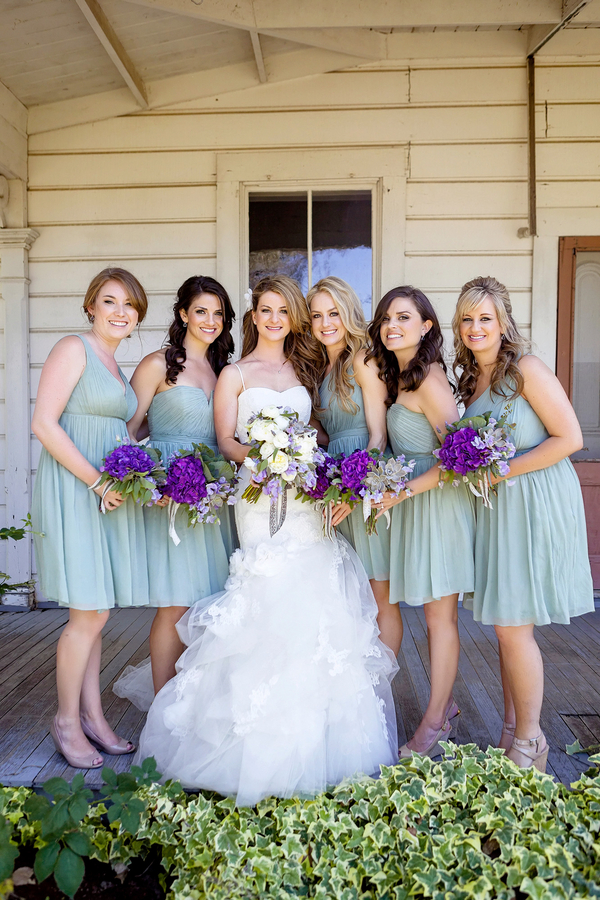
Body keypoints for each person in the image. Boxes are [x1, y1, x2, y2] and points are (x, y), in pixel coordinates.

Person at [135, 275, 398, 806]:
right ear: (253, 317)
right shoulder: (233, 373)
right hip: (257, 499)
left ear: (291, 318)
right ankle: (238, 739)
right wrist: (259, 462)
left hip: (305, 500)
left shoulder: (308, 371)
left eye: (284, 310)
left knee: (314, 602)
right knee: (261, 596)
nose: (275, 318)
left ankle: (317, 738)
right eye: (265, 309)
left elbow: (321, 433)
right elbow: (226, 437)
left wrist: (305, 461)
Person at [453, 275, 594, 772]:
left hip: (533, 503)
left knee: (514, 628)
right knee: (504, 626)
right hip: (497, 511)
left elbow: (570, 436)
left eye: (485, 318)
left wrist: (501, 469)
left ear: (504, 322)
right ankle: (511, 730)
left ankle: (532, 743)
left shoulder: (527, 369)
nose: (475, 327)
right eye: (467, 319)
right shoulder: (472, 382)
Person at [31, 267, 149, 769]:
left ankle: (93, 716)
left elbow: (119, 432)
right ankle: (65, 720)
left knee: (97, 610)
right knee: (89, 612)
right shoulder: (73, 348)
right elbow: (44, 424)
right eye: (110, 301)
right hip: (76, 487)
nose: (120, 312)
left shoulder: (117, 367)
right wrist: (97, 481)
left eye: (130, 305)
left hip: (105, 491)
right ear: (90, 308)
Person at [368, 286, 475, 759]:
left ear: (427, 326)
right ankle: (445, 704)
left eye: (405, 317)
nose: (393, 325)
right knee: (429, 615)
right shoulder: (402, 376)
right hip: (414, 506)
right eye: (388, 318)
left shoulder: (430, 380)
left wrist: (402, 492)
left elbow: (461, 458)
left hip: (437, 506)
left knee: (438, 618)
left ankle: (433, 724)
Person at [119, 276, 237, 698]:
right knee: (175, 602)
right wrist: (153, 484)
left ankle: (197, 699)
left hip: (217, 496)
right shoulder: (157, 364)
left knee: (212, 598)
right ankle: (162, 707)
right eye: (201, 311)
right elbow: (128, 433)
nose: (210, 320)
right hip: (173, 496)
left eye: (218, 313)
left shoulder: (224, 369)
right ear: (183, 314)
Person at [307, 277, 400, 655]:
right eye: (317, 316)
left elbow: (378, 437)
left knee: (379, 593)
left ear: (349, 313)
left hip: (363, 489)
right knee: (348, 592)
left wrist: (355, 492)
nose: (326, 323)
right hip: (334, 486)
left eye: (334, 313)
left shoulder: (363, 360)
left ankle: (384, 697)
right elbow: (329, 434)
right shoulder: (321, 370)